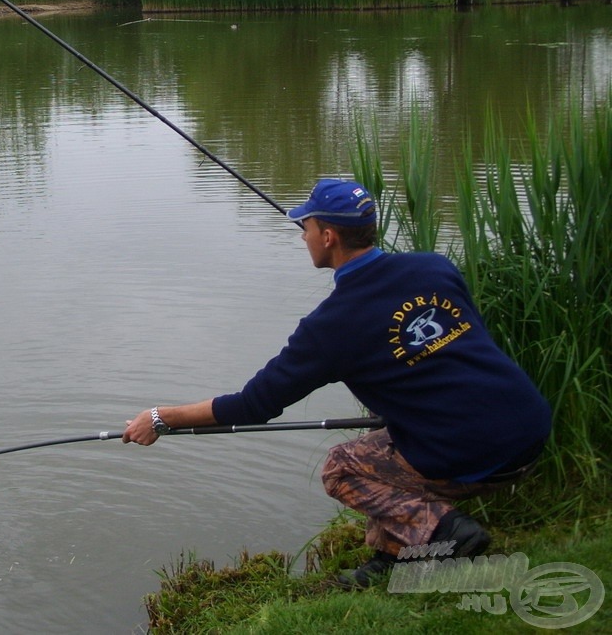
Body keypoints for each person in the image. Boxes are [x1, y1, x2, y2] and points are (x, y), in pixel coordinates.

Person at [122, 178, 552, 587]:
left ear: (328, 236)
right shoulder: (434, 267)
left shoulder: (330, 326)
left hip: (482, 454)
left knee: (342, 466)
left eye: (306, 226)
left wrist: (161, 418)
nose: (301, 235)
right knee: (376, 445)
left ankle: (448, 532)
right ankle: (394, 557)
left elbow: (251, 406)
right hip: (530, 428)